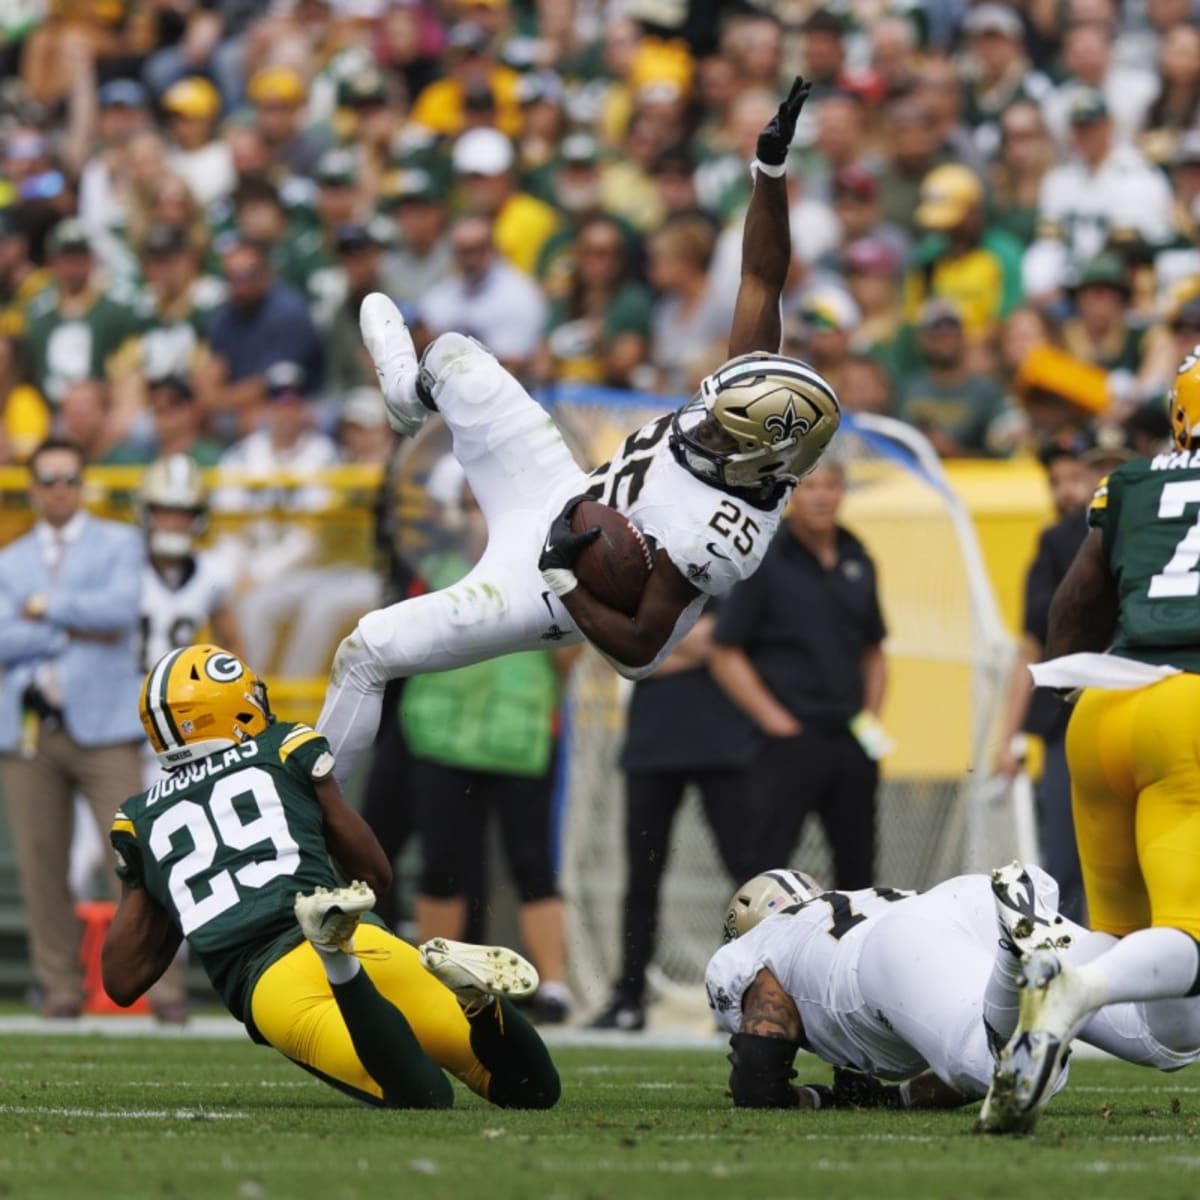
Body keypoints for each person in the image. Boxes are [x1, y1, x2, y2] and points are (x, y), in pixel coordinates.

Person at [317, 77, 842, 785]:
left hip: (551, 585)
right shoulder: (750, 412)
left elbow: (639, 652)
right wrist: (770, 170)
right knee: (455, 357)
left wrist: (564, 574)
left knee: (370, 646)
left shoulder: (719, 534)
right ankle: (408, 404)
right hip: (564, 491)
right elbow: (759, 278)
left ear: (759, 458)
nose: (705, 429)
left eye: (723, 435)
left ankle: (310, 830)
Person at [102, 644, 559, 1110]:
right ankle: (479, 1005)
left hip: (270, 979)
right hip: (363, 937)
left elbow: (122, 981)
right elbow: (374, 874)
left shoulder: (140, 819)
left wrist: (167, 883)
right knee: (532, 1091)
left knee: (420, 1095)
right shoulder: (282, 748)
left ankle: (337, 960)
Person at [982, 349, 1200, 1133]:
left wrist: (1083, 695)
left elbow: (1076, 602)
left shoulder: (1135, 481)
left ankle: (1039, 969)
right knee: (1190, 933)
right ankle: (1074, 991)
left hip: (1105, 707)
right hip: (1191, 710)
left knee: (1160, 996)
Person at [707, 863, 1200, 1112]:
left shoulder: (758, 947)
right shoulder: (837, 909)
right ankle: (1174, 933)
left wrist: (788, 1096)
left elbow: (760, 1067)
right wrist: (890, 1099)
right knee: (1166, 1041)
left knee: (1004, 1076)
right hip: (966, 902)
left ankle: (1016, 950)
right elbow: (946, 1075)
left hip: (893, 950)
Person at [0, 437, 184, 1019]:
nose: (60, 490)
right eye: (49, 479)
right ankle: (59, 986)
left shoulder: (119, 542)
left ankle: (168, 990)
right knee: (41, 864)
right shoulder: (10, 559)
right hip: (32, 729)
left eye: (70, 478)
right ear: (33, 488)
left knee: (135, 859)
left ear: (84, 483)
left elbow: (119, 610)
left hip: (106, 727)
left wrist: (40, 607)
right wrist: (65, 623)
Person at [709, 459, 887, 887]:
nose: (822, 496)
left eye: (831, 485)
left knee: (859, 871)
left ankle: (852, 955)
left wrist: (869, 720)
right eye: (810, 487)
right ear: (790, 495)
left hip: (849, 740)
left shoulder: (858, 556)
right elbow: (724, 651)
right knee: (765, 873)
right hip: (786, 746)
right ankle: (752, 956)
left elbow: (874, 651)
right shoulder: (766, 560)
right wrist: (777, 721)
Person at [589, 601, 758, 1033]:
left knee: (748, 879)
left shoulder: (733, 570)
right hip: (652, 748)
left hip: (723, 747)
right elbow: (627, 654)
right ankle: (628, 996)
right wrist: (690, 645)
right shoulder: (649, 575)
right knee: (641, 878)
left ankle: (749, 993)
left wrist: (659, 645)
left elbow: (728, 641)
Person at [994, 439, 1102, 923]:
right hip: (1069, 720)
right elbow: (1031, 647)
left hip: (1122, 709)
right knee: (1063, 860)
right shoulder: (1056, 543)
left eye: (1075, 477)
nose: (1065, 492)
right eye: (1056, 481)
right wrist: (1009, 736)